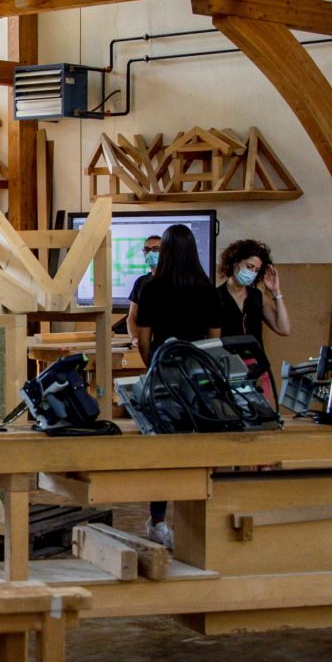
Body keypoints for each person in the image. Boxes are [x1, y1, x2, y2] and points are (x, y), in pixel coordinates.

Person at [125, 223, 220, 548]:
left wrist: (155, 368)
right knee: (199, 452)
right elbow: (214, 340)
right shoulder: (207, 289)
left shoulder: (152, 289)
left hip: (163, 379)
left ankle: (158, 521)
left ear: (164, 251)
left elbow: (144, 339)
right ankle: (200, 523)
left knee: (163, 453)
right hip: (197, 380)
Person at [214, 238, 290, 343]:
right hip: (229, 357)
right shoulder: (217, 296)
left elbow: (284, 329)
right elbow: (213, 342)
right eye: (249, 267)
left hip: (256, 358)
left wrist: (276, 291)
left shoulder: (257, 296)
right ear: (235, 263)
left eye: (256, 270)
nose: (252, 273)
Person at [118, 233, 164, 334]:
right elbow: (132, 317)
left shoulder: (174, 280)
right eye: (147, 250)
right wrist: (134, 338)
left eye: (156, 249)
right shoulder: (141, 282)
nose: (150, 253)